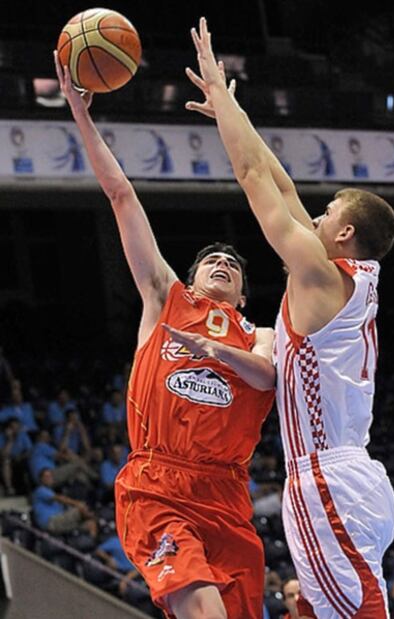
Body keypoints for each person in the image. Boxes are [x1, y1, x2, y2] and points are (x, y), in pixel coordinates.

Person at [187, 17, 394, 619]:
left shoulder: (317, 272)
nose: (317, 214)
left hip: (326, 480)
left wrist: (223, 97)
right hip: (353, 476)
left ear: (346, 232)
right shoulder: (343, 280)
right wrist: (235, 114)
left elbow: (255, 181)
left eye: (328, 211)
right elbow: (279, 181)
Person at [54, 52, 275, 619]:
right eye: (211, 260)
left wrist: (213, 348)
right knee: (203, 609)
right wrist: (80, 113)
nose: (222, 262)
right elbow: (121, 196)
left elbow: (268, 376)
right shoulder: (165, 298)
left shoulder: (262, 333)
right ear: (193, 275)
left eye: (232, 263)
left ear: (243, 294)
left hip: (227, 493)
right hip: (158, 481)